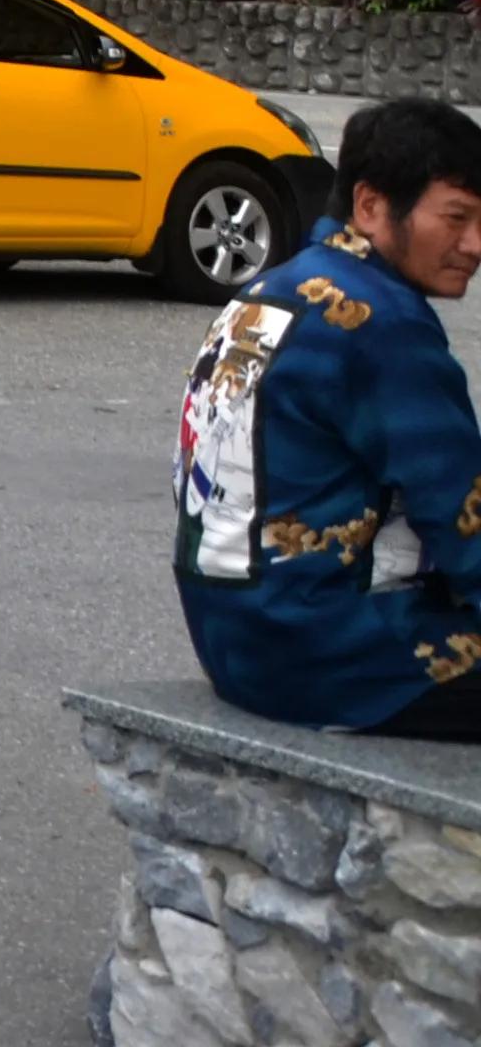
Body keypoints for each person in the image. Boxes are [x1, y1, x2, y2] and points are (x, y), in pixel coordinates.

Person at [177, 96, 481, 733]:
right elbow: (463, 515)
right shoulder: (381, 323)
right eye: (456, 218)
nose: (474, 245)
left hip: (235, 638)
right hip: (331, 655)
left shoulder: (269, 291)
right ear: (370, 206)